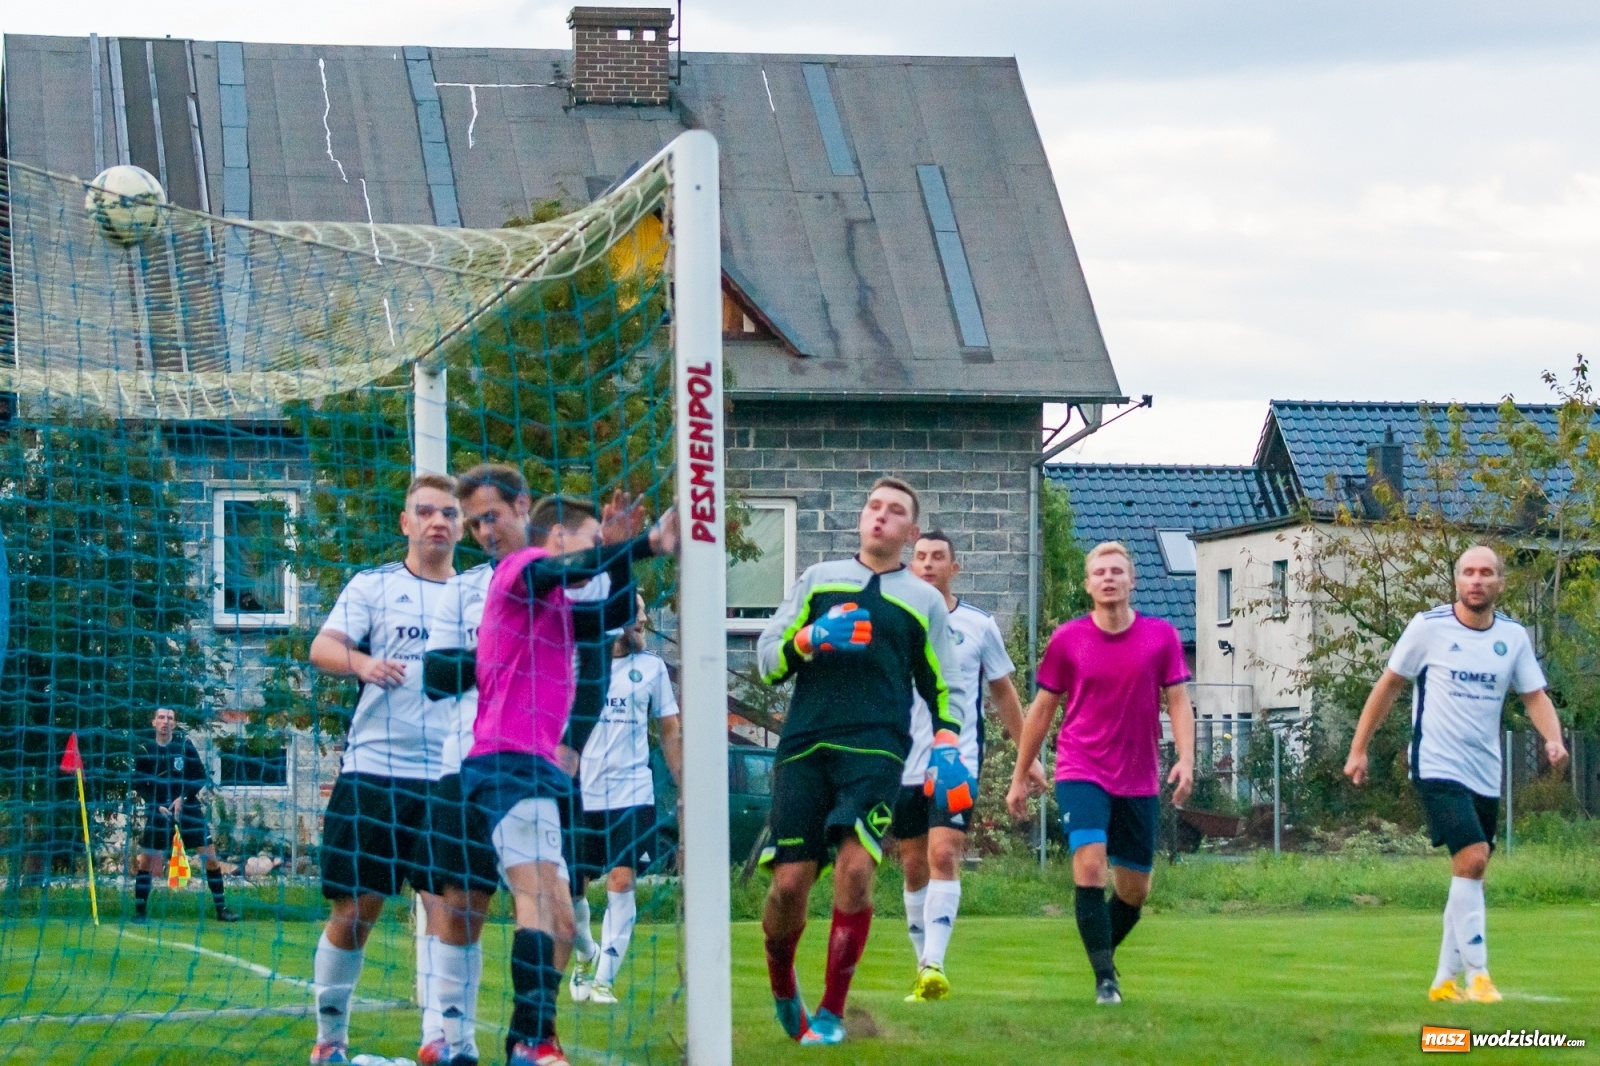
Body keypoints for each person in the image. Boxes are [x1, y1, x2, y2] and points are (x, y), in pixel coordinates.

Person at [459, 494, 677, 1066]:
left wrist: (620, 554)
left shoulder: (555, 607)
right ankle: (522, 1040)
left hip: (539, 767)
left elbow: (613, 612)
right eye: (585, 542)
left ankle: (530, 1039)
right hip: (505, 763)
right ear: (556, 536)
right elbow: (574, 570)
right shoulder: (521, 569)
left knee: (559, 918)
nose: (592, 560)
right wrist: (643, 543)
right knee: (531, 907)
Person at [756, 477, 969, 1046]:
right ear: (862, 517)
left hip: (877, 752)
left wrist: (947, 742)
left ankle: (830, 1013)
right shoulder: (818, 579)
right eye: (874, 506)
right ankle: (784, 988)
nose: (880, 517)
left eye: (895, 511)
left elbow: (944, 686)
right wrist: (809, 639)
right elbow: (766, 659)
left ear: (911, 531)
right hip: (804, 747)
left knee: (855, 870)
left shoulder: (922, 601)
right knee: (790, 886)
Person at [1343, 545, 1567, 1004]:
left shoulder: (1513, 637)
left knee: (1470, 873)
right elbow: (1388, 686)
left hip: (1484, 770)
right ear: (1456, 581)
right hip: (1435, 763)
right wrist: (1358, 748)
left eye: (1486, 573)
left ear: (1500, 583)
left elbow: (1535, 696)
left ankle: (1444, 981)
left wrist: (1553, 739)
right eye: (1468, 572)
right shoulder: (1429, 628)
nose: (1476, 580)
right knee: (1474, 857)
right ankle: (1478, 977)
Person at [306, 473, 462, 1066]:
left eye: (448, 513)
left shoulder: (475, 593)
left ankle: (438, 1040)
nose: (436, 522)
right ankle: (331, 1039)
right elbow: (322, 649)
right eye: (424, 511)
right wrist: (363, 662)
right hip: (374, 771)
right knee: (356, 908)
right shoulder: (373, 586)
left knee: (448, 907)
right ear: (406, 522)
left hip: (447, 775)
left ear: (461, 525)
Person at [1006, 541, 1195, 1006]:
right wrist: (1019, 774)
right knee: (1090, 867)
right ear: (1088, 585)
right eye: (1099, 572)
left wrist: (1187, 759)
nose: (1108, 578)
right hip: (1081, 766)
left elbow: (1178, 701)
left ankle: (1100, 952)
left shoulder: (1162, 637)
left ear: (1132, 581)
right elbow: (1042, 709)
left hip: (1138, 775)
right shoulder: (1068, 640)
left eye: (1117, 571)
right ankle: (1105, 980)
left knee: (1135, 890)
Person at [894, 532, 1045, 1002]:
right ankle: (922, 967)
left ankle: (935, 965)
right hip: (901, 763)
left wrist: (1029, 755)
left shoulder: (978, 625)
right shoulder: (896, 622)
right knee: (913, 863)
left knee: (944, 855)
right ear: (910, 565)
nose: (928, 565)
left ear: (954, 568)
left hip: (954, 761)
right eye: (920, 557)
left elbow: (1003, 693)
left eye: (938, 557)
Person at [568, 597, 682, 1005]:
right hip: (580, 794)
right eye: (636, 612)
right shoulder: (577, 664)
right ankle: (586, 954)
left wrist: (685, 789)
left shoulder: (652, 668)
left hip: (632, 791)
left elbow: (669, 732)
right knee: (570, 893)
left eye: (644, 612)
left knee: (622, 880)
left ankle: (604, 979)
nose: (645, 619)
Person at [130, 707, 239, 924]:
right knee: (146, 862)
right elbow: (139, 783)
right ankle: (140, 912)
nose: (165, 722)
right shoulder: (145, 749)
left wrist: (183, 798)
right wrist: (156, 804)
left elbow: (199, 777)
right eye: (161, 717)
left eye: (170, 718)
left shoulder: (184, 746)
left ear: (175, 724)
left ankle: (222, 909)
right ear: (154, 722)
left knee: (210, 858)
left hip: (188, 809)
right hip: (159, 811)